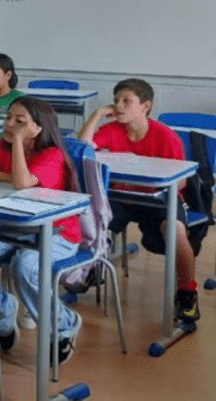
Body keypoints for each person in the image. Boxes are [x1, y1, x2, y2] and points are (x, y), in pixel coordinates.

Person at [77, 78, 199, 322]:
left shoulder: (166, 137)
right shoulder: (112, 129)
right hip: (122, 198)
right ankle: (93, 266)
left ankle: (187, 292)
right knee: (89, 218)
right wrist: (98, 113)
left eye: (126, 101)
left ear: (145, 106)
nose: (119, 106)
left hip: (159, 201)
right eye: (115, 101)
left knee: (175, 231)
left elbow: (182, 182)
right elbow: (82, 148)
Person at [0, 97, 83, 362]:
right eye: (8, 118)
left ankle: (64, 324)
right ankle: (2, 308)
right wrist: (10, 177)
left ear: (38, 128)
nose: (10, 124)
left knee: (25, 266)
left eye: (20, 121)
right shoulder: (3, 146)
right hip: (15, 231)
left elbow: (23, 183)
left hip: (57, 234)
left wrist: (16, 158)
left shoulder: (52, 155)